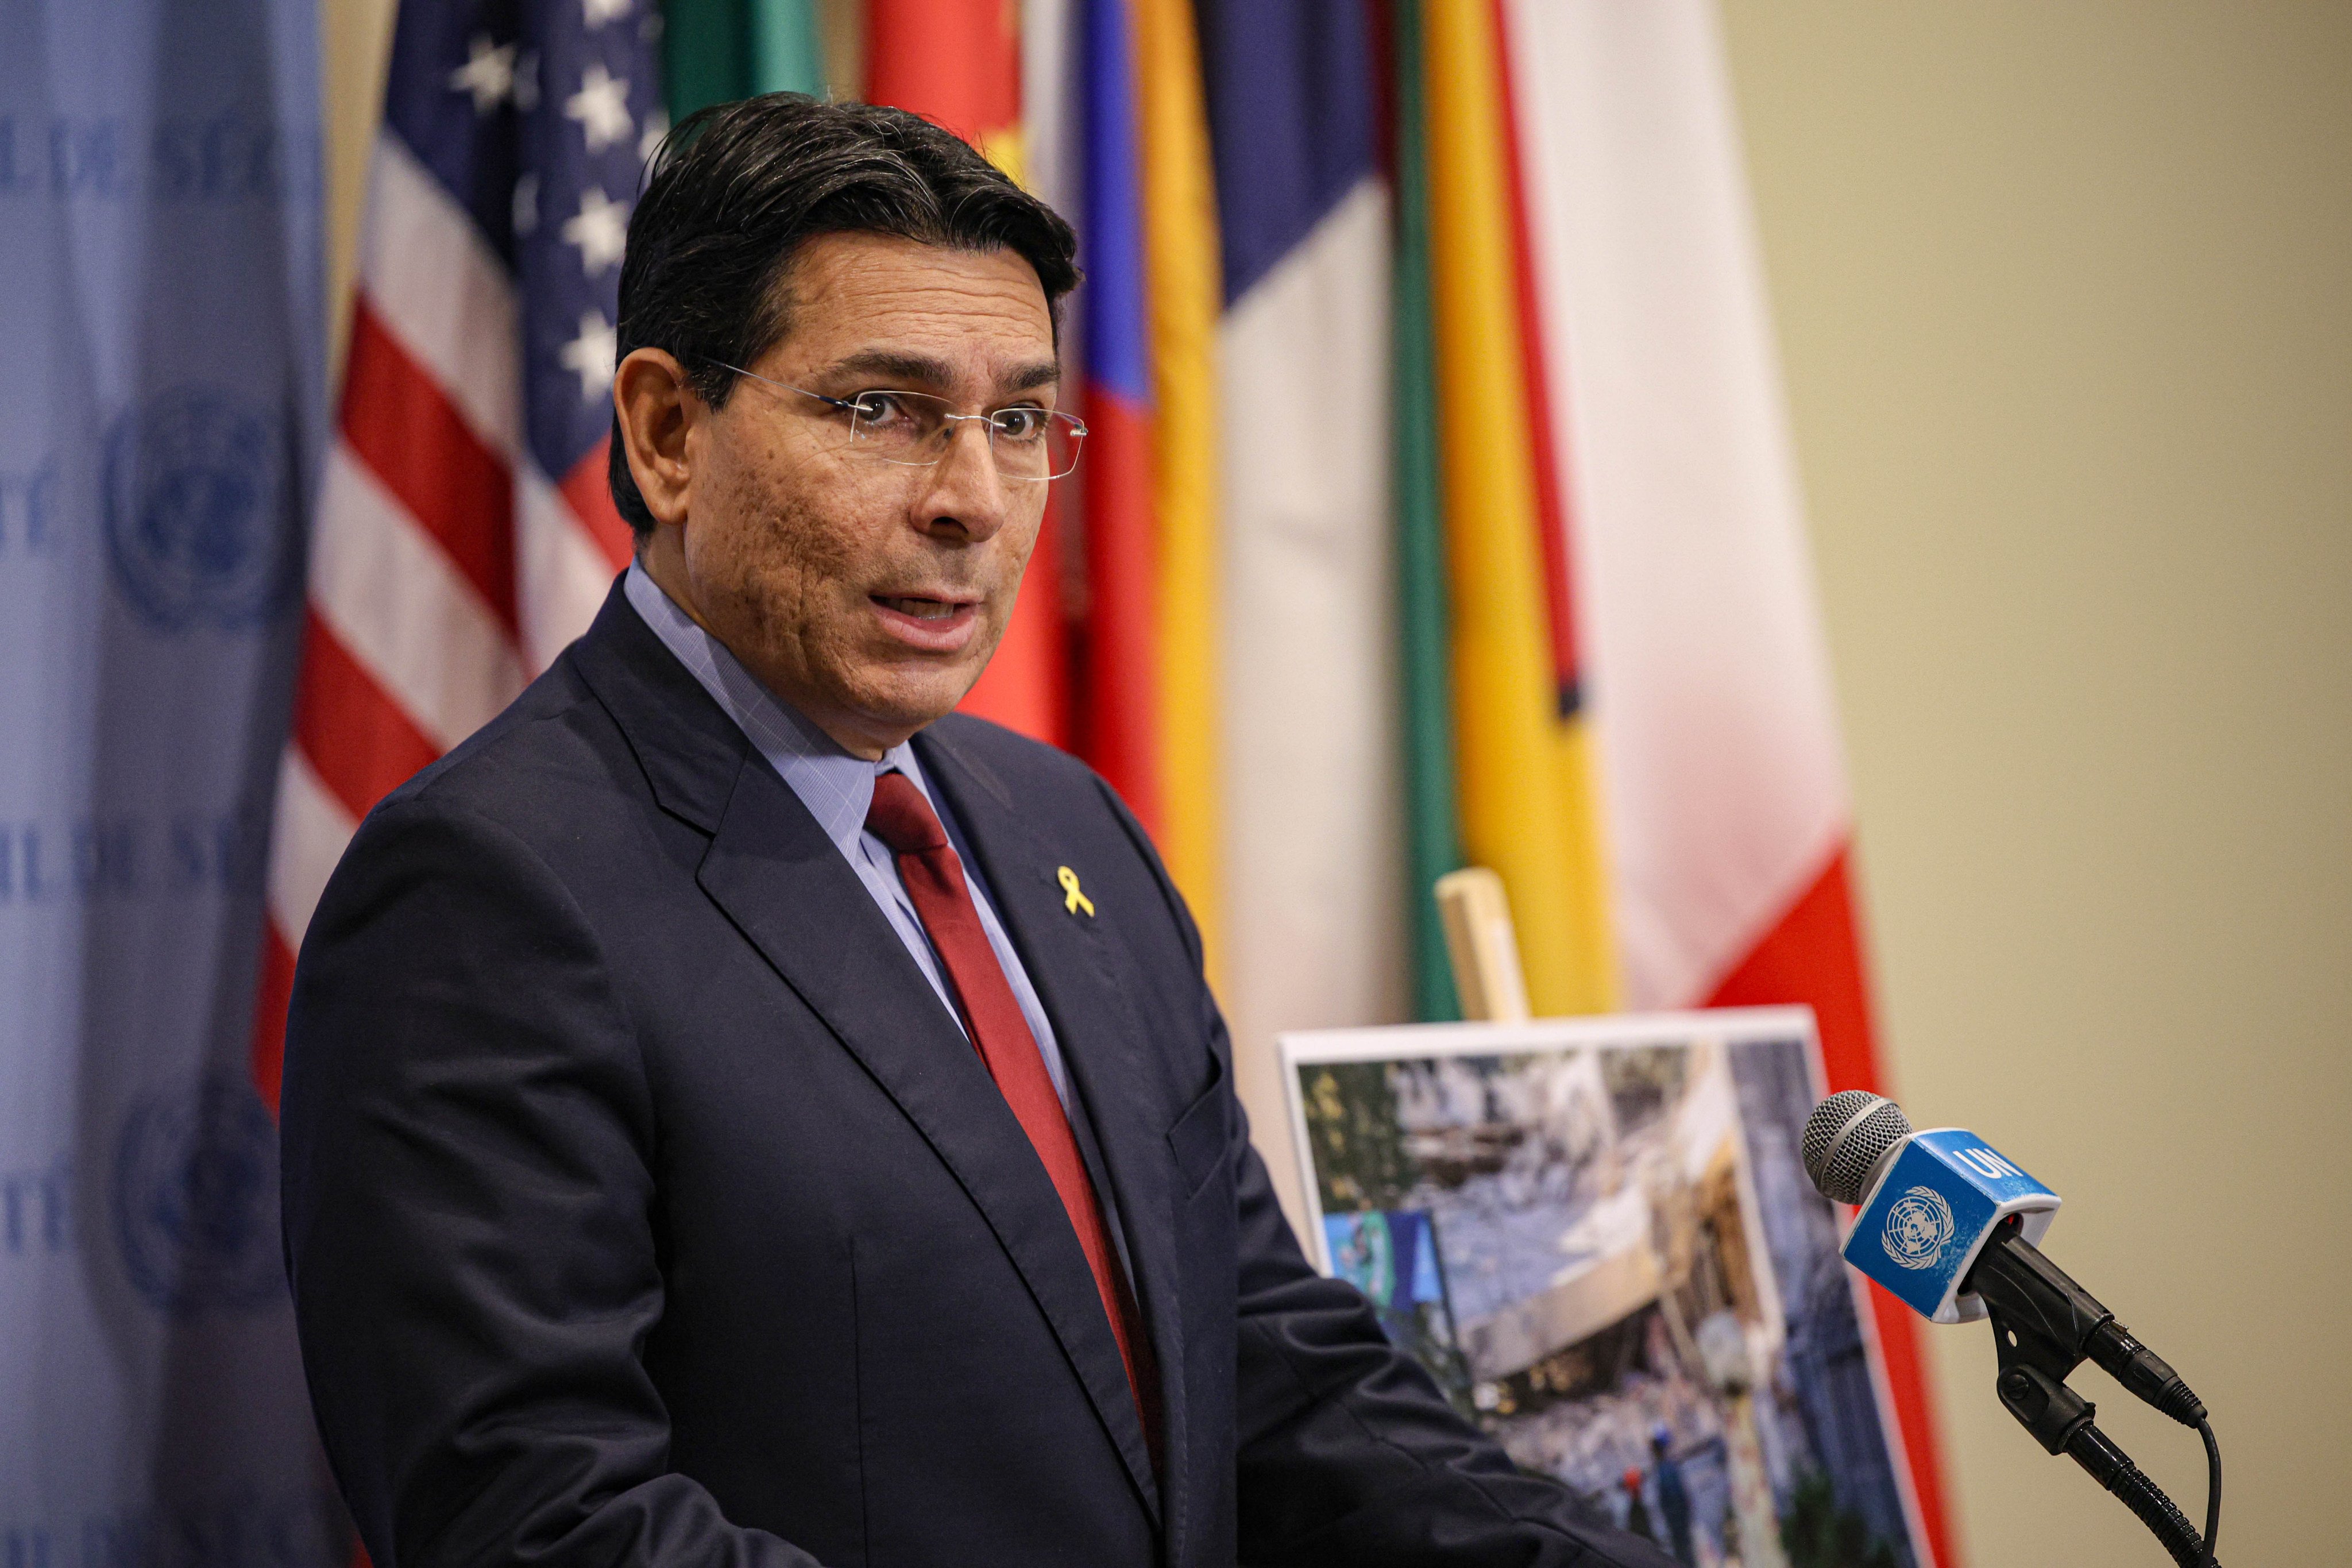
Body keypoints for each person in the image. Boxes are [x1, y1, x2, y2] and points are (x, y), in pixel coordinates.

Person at [279, 94, 1673, 1568]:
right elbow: (533, 1521)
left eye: (1015, 420)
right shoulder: (484, 894)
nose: (972, 501)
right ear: (667, 430)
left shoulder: (1063, 824)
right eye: (880, 411)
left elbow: (1260, 1352)